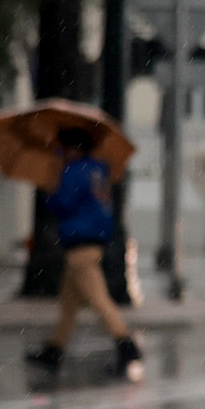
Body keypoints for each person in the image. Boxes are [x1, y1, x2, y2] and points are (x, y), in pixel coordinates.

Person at [28, 125, 144, 382]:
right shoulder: (97, 171)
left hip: (80, 246)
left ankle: (126, 345)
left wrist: (51, 188)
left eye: (63, 148)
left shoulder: (74, 172)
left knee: (99, 300)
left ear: (74, 148)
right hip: (91, 242)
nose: (60, 153)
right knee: (69, 303)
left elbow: (61, 203)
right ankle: (54, 349)